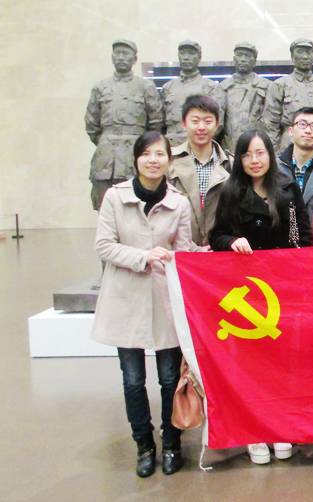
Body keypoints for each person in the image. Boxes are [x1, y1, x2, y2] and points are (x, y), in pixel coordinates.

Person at [91, 131, 194, 477]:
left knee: (169, 378)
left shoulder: (179, 203)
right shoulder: (114, 197)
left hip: (165, 299)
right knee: (133, 380)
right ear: (136, 159)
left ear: (169, 160)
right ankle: (144, 445)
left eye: (160, 154)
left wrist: (206, 256)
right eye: (146, 154)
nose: (153, 160)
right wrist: (143, 256)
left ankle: (172, 443)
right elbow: (104, 245)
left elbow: (183, 250)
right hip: (125, 298)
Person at [209, 128, 312, 464]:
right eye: (247, 154)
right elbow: (216, 236)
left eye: (260, 153)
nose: (254, 160)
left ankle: (281, 427)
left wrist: (294, 261)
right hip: (248, 293)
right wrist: (231, 242)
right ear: (239, 159)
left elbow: (301, 236)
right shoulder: (230, 192)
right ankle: (254, 431)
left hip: (284, 290)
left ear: (270, 154)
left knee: (283, 363)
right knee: (252, 366)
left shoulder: (287, 189)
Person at [85, 39, 163, 211]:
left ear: (134, 59)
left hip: (135, 155)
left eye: (125, 53)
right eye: (117, 53)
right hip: (106, 159)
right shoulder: (100, 87)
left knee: (138, 206)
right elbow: (92, 125)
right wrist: (108, 142)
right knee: (105, 207)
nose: (120, 57)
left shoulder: (145, 87)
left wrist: (143, 148)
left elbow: (156, 123)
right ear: (112, 57)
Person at [168, 95, 232, 247]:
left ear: (217, 124)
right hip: (179, 250)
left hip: (219, 250)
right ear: (184, 123)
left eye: (208, 121)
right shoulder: (169, 161)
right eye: (195, 121)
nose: (201, 127)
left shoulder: (230, 164)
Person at [261, 38, 313, 161]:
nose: (305, 56)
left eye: (308, 52)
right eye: (300, 52)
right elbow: (270, 124)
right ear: (292, 57)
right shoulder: (280, 85)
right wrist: (274, 156)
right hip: (289, 149)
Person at [162, 40, 225, 146]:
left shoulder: (211, 87)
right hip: (172, 147)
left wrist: (200, 144)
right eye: (182, 53)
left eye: (191, 53)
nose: (186, 57)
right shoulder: (168, 88)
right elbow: (160, 124)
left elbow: (218, 124)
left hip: (199, 146)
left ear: (199, 57)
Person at [220, 42, 271, 153]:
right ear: (234, 59)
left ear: (255, 61)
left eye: (247, 56)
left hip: (258, 148)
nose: (243, 59)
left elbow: (272, 124)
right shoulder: (223, 87)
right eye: (239, 55)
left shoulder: (268, 86)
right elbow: (218, 125)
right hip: (229, 149)